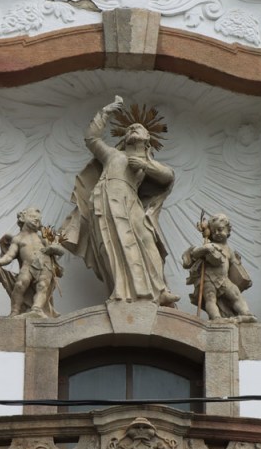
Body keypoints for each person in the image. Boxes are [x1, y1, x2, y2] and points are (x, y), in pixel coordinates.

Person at [61, 96, 179, 306]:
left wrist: (145, 165)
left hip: (130, 200)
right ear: (124, 138)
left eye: (138, 128)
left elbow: (167, 177)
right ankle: (121, 290)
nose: (133, 128)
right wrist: (105, 112)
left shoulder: (147, 162)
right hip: (107, 199)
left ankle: (159, 289)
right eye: (130, 128)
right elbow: (91, 138)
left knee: (147, 238)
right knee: (111, 243)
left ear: (148, 138)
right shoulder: (113, 155)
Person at [0, 207, 64, 317]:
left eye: (38, 220)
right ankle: (15, 311)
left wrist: (52, 248)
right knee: (19, 285)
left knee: (42, 286)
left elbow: (61, 251)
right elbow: (9, 256)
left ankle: (37, 309)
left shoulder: (42, 237)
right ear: (23, 218)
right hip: (27, 266)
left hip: (45, 264)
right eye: (32, 217)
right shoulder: (17, 239)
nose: (36, 220)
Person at [183, 213, 257, 322]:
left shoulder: (229, 250)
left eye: (220, 229)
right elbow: (194, 253)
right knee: (210, 298)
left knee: (235, 294)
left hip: (223, 279)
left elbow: (235, 265)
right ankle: (216, 318)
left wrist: (242, 274)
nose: (217, 233)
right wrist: (205, 249)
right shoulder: (209, 245)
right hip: (208, 278)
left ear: (228, 230)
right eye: (213, 231)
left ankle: (245, 313)